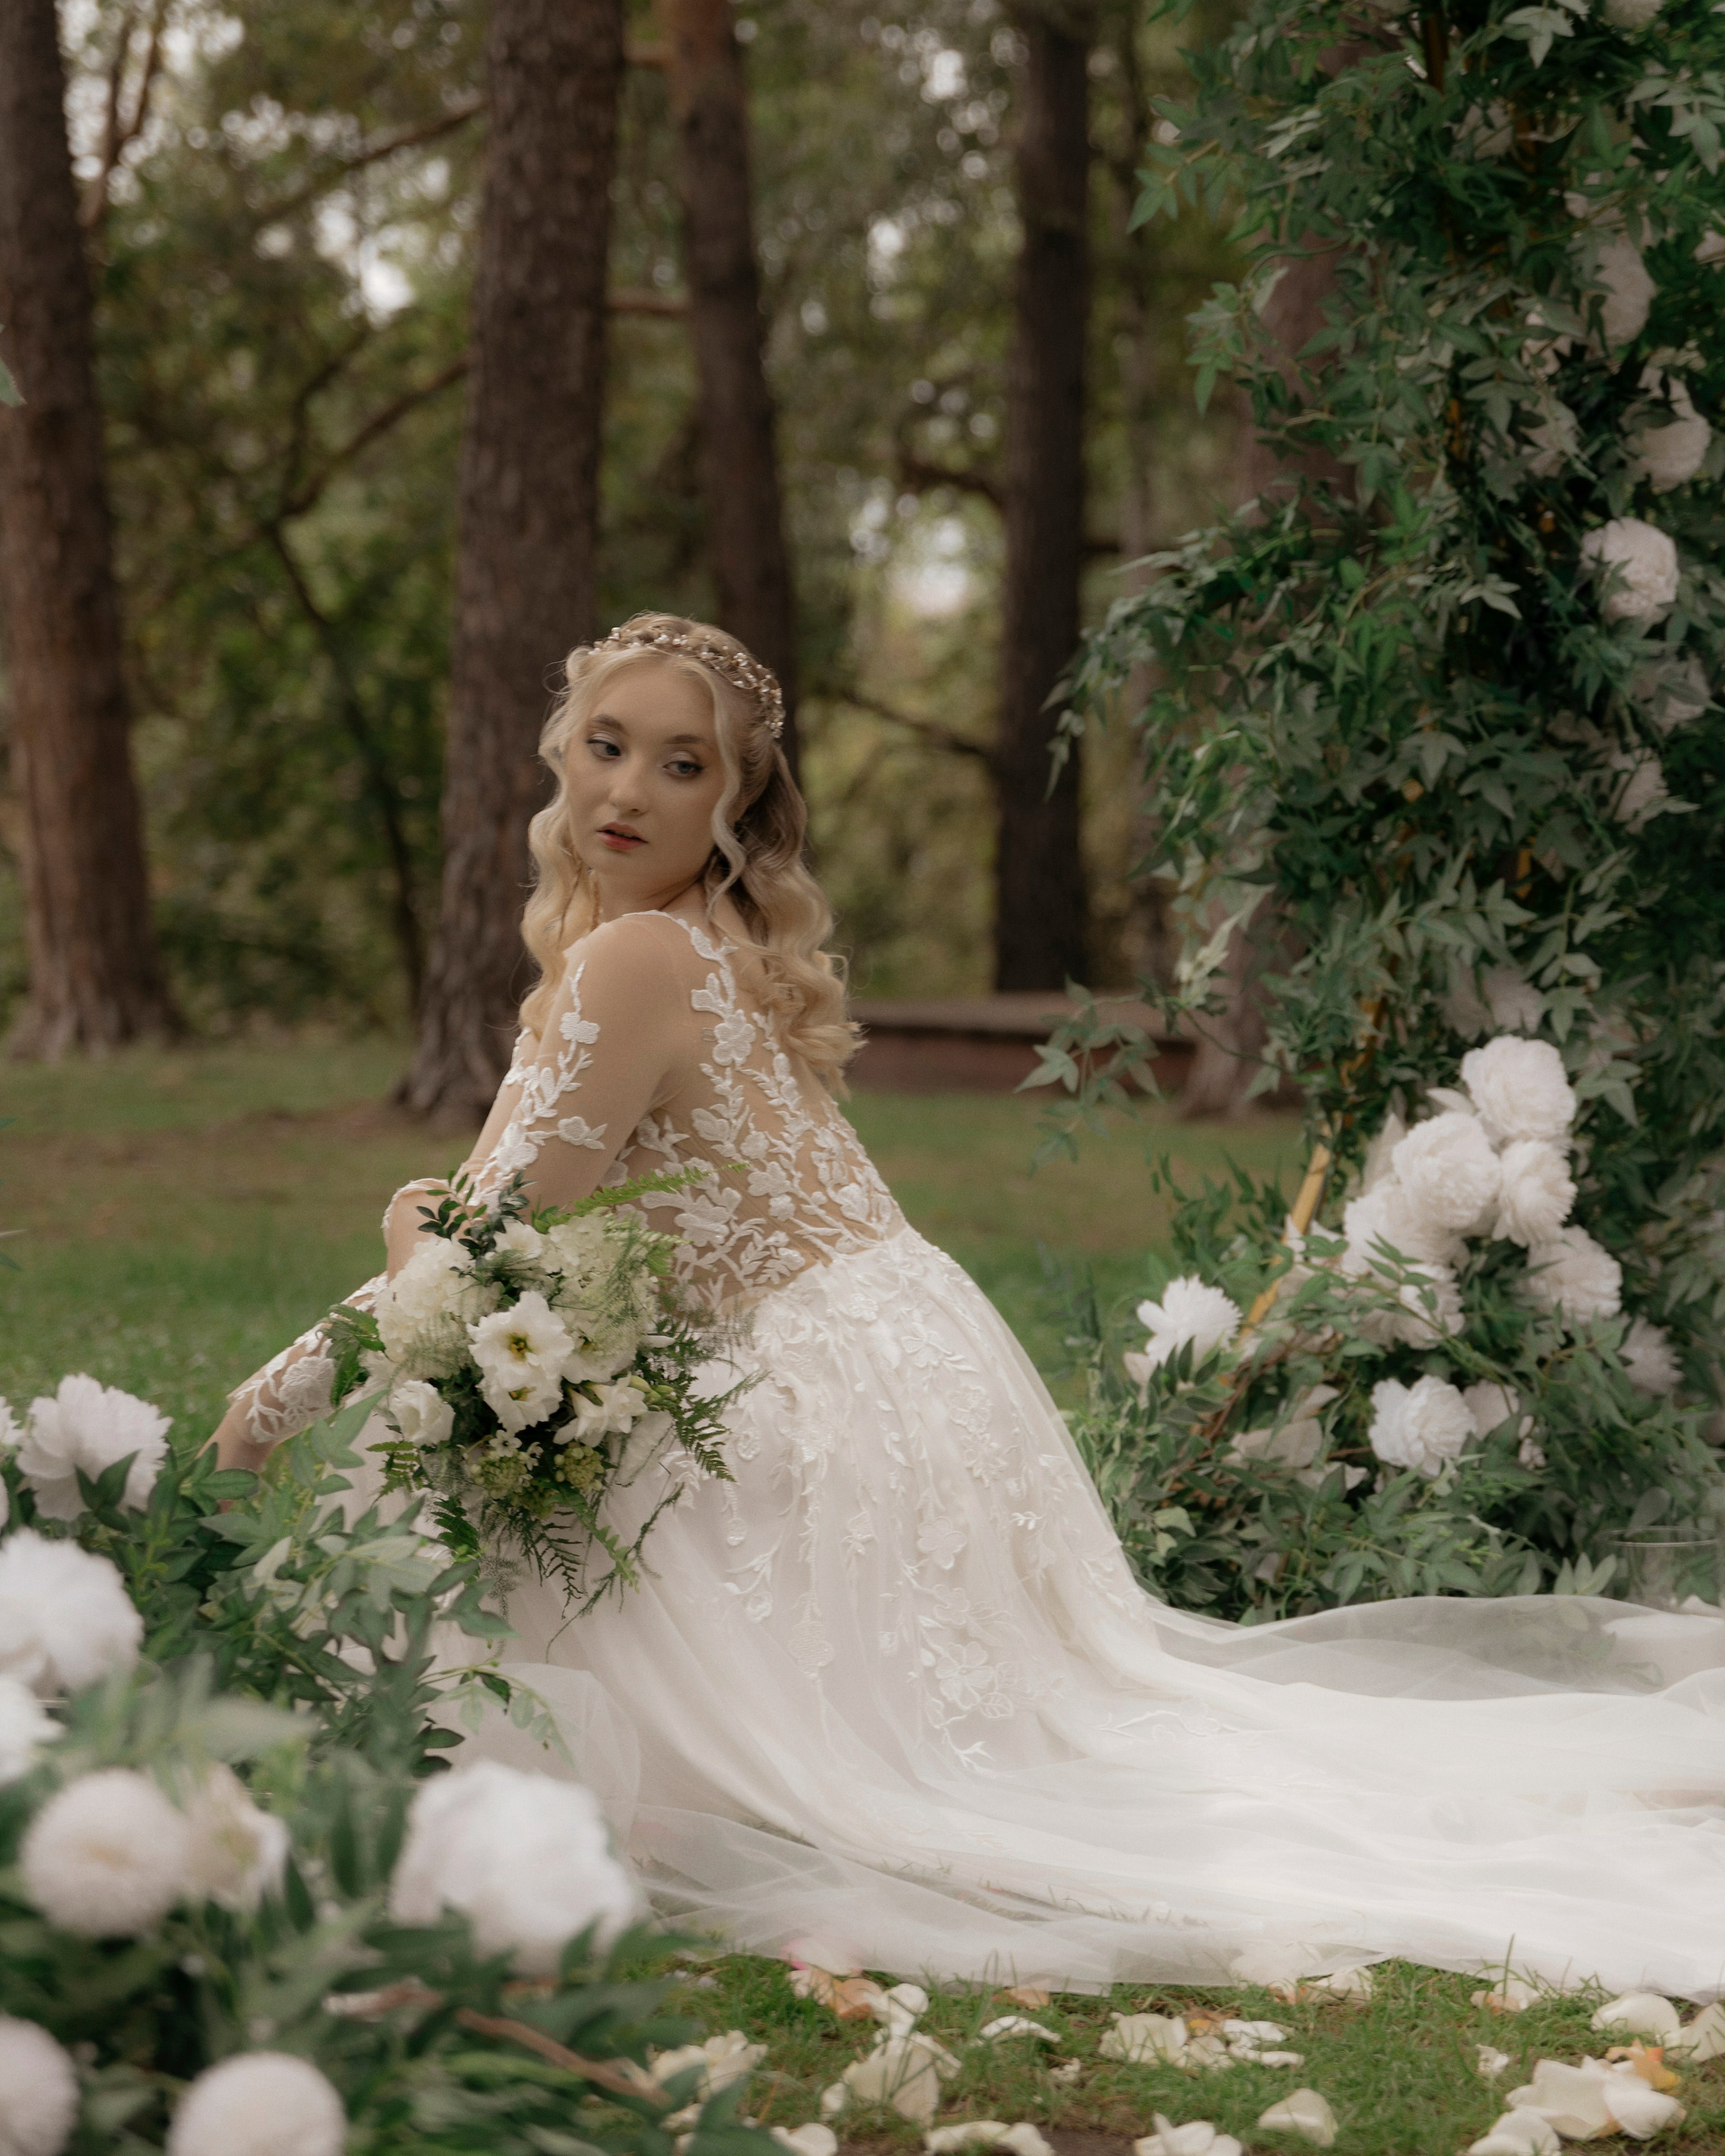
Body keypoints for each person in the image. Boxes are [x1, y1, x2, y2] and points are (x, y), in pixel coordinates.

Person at [214, 613, 1725, 1999]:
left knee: (518, 1462)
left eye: (684, 765)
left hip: (821, 1410)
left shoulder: (631, 958)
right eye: (608, 745)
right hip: (912, 1362)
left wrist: (270, 1400)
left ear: (734, 802)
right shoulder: (698, 946)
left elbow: (472, 1258)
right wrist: (429, 1229)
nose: (630, 790)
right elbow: (507, 1240)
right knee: (537, 1421)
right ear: (562, 752)